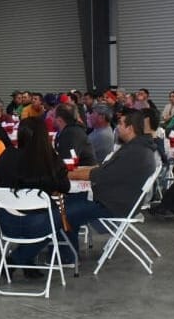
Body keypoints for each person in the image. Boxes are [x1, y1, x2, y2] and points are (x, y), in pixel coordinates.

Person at [63, 109, 158, 257]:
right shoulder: (140, 148)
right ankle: (67, 253)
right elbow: (105, 170)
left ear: (130, 128)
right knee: (68, 202)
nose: (117, 127)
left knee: (64, 214)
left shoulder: (134, 151)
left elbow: (98, 175)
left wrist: (68, 174)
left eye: (120, 124)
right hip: (119, 200)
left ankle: (66, 256)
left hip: (113, 205)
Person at [0, 117, 71, 270]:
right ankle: (18, 258)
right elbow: (65, 187)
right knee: (64, 216)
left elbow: (0, 183)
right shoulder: (49, 162)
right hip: (37, 225)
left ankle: (27, 260)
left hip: (6, 223)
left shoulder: (5, 157)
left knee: (29, 210)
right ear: (44, 136)